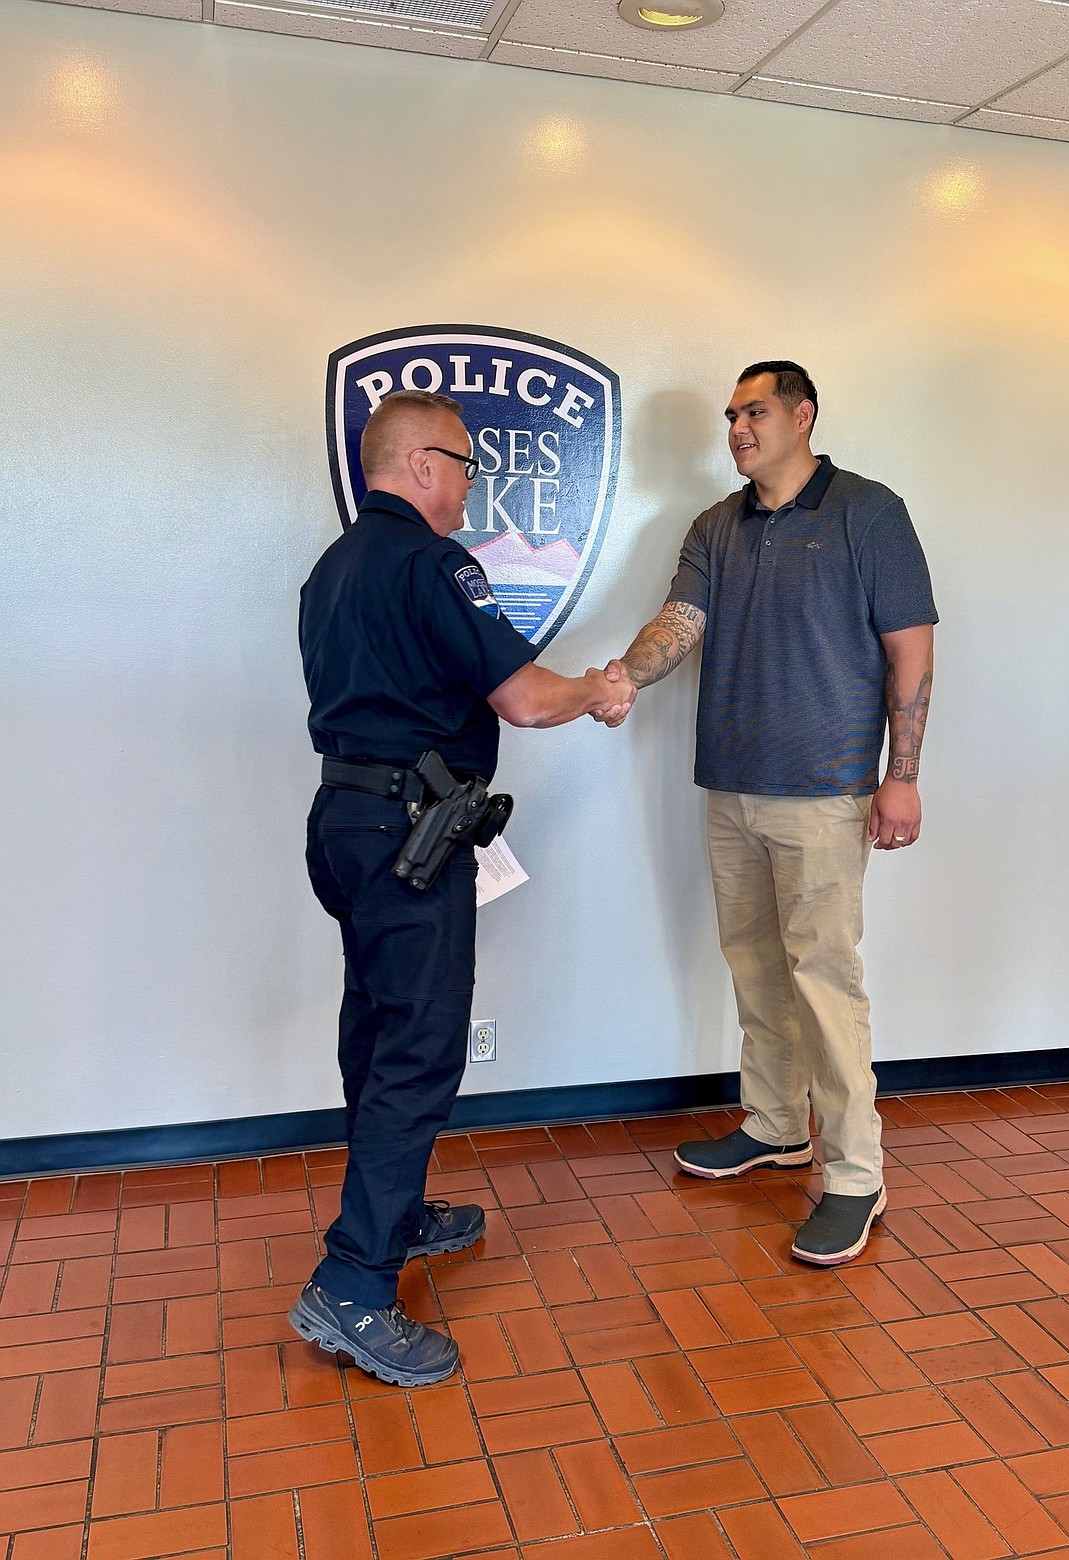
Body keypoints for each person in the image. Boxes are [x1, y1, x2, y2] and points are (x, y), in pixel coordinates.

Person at [289, 388, 634, 1386]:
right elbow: (525, 700)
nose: (470, 490)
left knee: (375, 1024)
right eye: (468, 468)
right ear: (424, 464)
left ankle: (391, 1214)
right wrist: (598, 690)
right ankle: (354, 1285)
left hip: (347, 826)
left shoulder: (334, 567)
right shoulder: (437, 564)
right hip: (412, 833)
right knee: (420, 1049)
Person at [602, 361, 936, 1266]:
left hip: (827, 790)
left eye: (754, 411)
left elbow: (910, 648)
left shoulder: (869, 512)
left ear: (803, 414)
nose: (738, 427)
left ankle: (855, 1176)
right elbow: (681, 620)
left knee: (825, 979)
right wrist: (621, 677)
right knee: (754, 963)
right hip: (733, 786)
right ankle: (777, 1125)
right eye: (731, 415)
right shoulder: (717, 524)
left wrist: (901, 775)